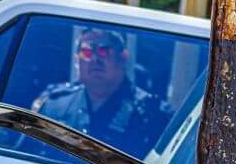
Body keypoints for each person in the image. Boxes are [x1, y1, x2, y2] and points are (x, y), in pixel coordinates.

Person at [31, 26, 167, 156]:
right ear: (77, 60)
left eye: (104, 51)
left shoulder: (152, 114)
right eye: (87, 52)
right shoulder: (54, 106)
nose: (95, 59)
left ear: (123, 57)